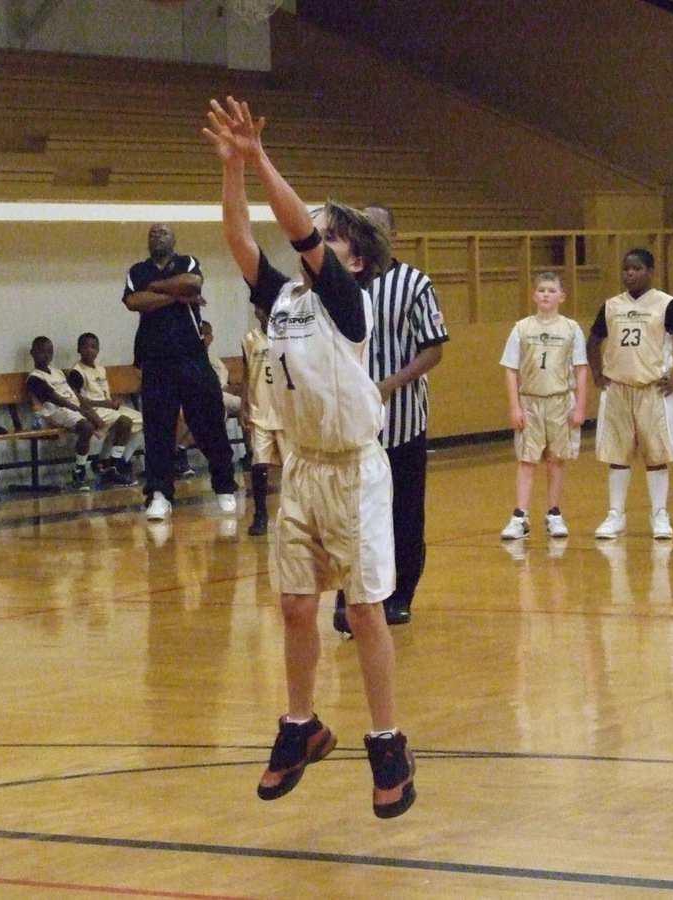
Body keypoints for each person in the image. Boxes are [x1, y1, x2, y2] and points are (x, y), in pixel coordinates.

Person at [205, 94, 416, 818]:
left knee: (363, 613)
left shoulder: (343, 298)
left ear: (349, 256)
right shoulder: (286, 301)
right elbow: (239, 240)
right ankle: (303, 725)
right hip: (303, 469)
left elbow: (295, 230)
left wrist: (261, 155)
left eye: (323, 236)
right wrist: (234, 169)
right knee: (297, 604)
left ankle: (388, 740)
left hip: (354, 469)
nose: (306, 240)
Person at [333, 203, 449, 634]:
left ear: (394, 236)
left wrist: (389, 385)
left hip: (401, 420)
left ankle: (400, 594)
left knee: (403, 510)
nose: (372, 234)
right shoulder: (339, 282)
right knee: (351, 512)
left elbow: (434, 348)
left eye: (379, 228)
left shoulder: (415, 284)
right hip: (351, 424)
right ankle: (351, 593)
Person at [122, 222, 239, 521]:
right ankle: (160, 494)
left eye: (163, 233)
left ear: (174, 240)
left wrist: (160, 289)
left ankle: (224, 486)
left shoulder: (186, 261)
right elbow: (135, 302)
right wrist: (177, 295)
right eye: (152, 233)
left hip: (192, 356)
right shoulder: (137, 271)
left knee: (208, 422)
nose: (157, 236)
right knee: (158, 429)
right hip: (156, 361)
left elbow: (193, 284)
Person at [586, 249, 673, 540]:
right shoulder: (611, 306)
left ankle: (659, 514)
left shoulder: (666, 305)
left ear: (650, 272)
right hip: (618, 389)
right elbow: (594, 340)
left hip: (652, 389)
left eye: (636, 268)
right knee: (617, 453)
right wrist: (597, 374)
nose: (629, 273)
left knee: (656, 453)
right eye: (626, 269)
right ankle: (616, 514)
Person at [498, 272, 589, 540]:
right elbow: (511, 370)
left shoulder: (571, 329)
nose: (546, 294)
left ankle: (554, 514)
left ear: (562, 296)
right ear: (534, 296)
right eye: (541, 290)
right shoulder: (522, 328)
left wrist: (580, 406)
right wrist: (515, 407)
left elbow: (581, 369)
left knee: (556, 460)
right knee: (527, 460)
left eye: (551, 290)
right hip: (530, 401)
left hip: (561, 400)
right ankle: (520, 517)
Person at [26, 335, 107, 492]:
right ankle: (79, 470)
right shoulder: (34, 378)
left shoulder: (58, 373)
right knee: (87, 428)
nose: (46, 355)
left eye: (49, 351)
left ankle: (104, 464)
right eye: (42, 351)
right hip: (55, 411)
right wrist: (78, 409)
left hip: (72, 407)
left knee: (103, 423)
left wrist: (85, 407)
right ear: (32, 353)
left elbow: (74, 393)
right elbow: (54, 398)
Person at [70, 332, 141, 487]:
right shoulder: (77, 372)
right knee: (124, 421)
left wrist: (114, 400)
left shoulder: (100, 369)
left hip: (108, 407)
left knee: (144, 421)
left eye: (93, 347)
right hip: (94, 410)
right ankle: (110, 464)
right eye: (86, 347)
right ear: (79, 349)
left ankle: (117, 461)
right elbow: (80, 400)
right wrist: (107, 404)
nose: (90, 350)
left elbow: (104, 394)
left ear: (98, 350)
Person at [240, 305, 287, 536]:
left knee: (293, 468)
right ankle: (260, 514)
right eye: (261, 308)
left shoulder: (288, 335)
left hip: (286, 413)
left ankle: (295, 516)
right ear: (257, 312)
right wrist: (243, 407)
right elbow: (246, 374)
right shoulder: (249, 339)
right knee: (258, 463)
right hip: (260, 411)